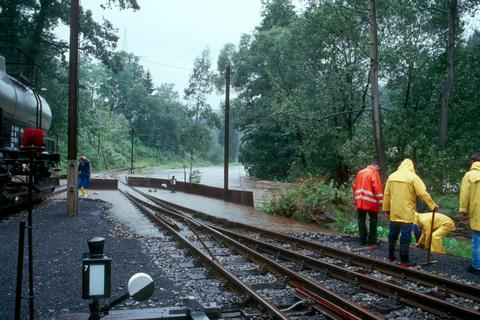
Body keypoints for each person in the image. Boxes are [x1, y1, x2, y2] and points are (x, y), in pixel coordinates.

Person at [382, 159, 439, 267]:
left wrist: (386, 209)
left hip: (394, 212)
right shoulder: (413, 177)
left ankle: (391, 257)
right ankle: (404, 261)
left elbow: (386, 195)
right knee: (405, 235)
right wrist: (433, 205)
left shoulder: (392, 176)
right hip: (406, 213)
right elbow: (423, 193)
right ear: (411, 167)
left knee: (392, 235)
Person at [353, 161, 383, 246]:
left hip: (360, 201)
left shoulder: (360, 172)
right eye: (378, 168)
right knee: (373, 220)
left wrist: (356, 199)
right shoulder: (374, 173)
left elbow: (355, 186)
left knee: (361, 219)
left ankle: (362, 240)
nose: (378, 170)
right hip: (371, 202)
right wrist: (380, 201)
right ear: (375, 166)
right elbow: (377, 188)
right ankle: (372, 240)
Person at [459, 153, 480, 275]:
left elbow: (464, 195)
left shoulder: (469, 175)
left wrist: (463, 210)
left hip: (478, 213)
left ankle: (477, 266)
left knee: (477, 239)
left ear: (472, 162)